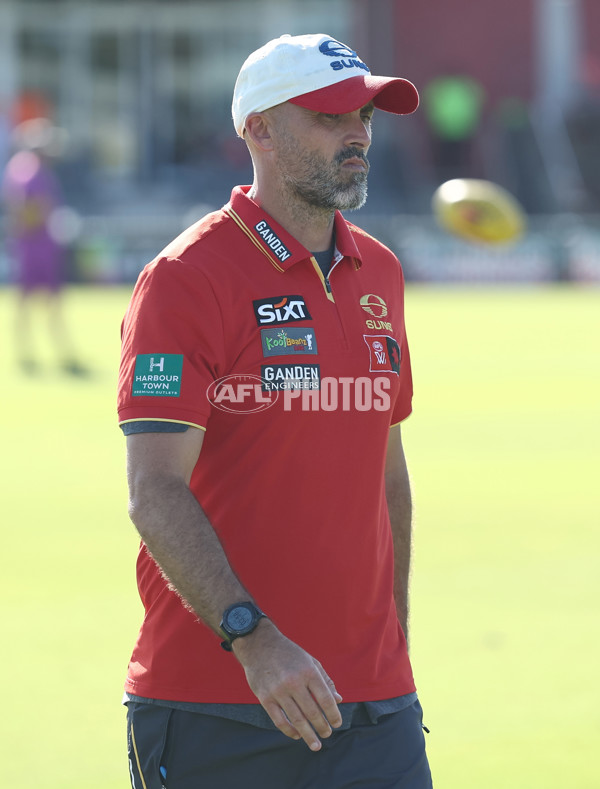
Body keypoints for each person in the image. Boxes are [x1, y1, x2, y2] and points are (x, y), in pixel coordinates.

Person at [117, 33, 433, 789]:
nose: (356, 132)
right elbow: (154, 491)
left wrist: (394, 641)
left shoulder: (380, 272)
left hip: (373, 705)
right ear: (258, 128)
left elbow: (385, 471)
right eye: (328, 116)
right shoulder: (185, 279)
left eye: (363, 113)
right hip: (218, 708)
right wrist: (255, 641)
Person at [1, 117, 83, 374]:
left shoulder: (21, 168)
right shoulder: (31, 170)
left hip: (32, 244)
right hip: (36, 245)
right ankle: (42, 351)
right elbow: (26, 210)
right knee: (44, 303)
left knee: (32, 302)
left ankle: (33, 351)